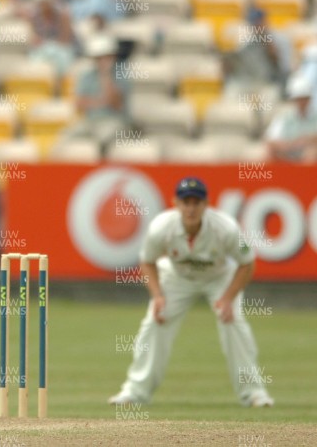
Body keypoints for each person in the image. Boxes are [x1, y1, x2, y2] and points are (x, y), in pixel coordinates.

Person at [108, 177, 275, 408]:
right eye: (186, 202)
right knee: (155, 321)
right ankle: (134, 393)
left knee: (233, 323)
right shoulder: (161, 227)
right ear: (176, 203)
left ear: (206, 204)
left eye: (196, 202)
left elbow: (247, 263)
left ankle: (254, 394)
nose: (191, 208)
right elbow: (147, 261)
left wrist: (228, 299)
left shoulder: (225, 228)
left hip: (219, 278)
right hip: (177, 278)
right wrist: (158, 296)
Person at [264, 71, 317, 161]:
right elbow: (270, 140)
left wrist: (307, 140)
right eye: (299, 99)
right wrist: (289, 145)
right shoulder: (284, 117)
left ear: (309, 99)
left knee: (312, 153)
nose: (302, 102)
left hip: (307, 155)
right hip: (287, 153)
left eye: (304, 98)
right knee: (269, 153)